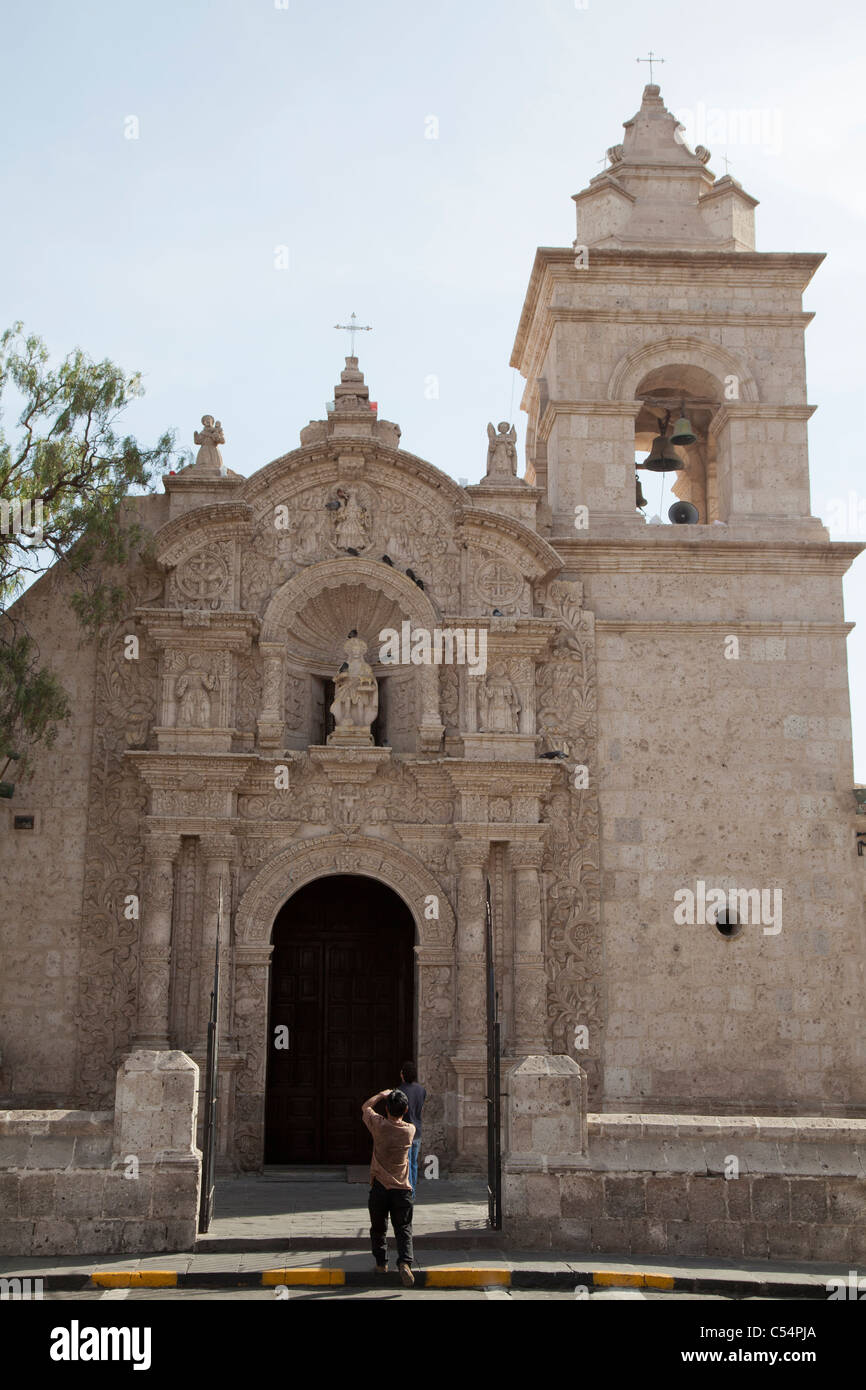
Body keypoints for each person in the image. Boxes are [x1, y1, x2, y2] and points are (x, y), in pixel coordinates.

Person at [361, 1087, 415, 1286]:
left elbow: (365, 1107)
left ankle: (381, 1263)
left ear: (387, 1109)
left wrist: (381, 1095)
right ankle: (405, 1263)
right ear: (406, 1109)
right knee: (404, 1228)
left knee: (378, 1227)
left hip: (380, 1187)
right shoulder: (409, 1130)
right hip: (402, 1189)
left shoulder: (379, 1125)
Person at [397, 1061, 427, 1196]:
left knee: (406, 1164)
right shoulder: (421, 1090)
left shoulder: (399, 1091)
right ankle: (412, 1191)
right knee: (413, 1163)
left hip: (404, 1131)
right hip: (417, 1130)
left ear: (402, 1075)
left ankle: (407, 1190)